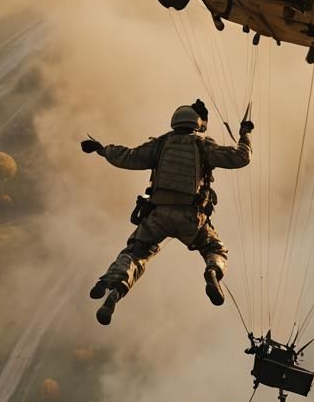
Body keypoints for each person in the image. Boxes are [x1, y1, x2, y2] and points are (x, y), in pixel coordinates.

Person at [82, 101, 253, 325]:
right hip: (192, 217)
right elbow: (241, 158)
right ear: (198, 124)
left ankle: (113, 286)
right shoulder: (204, 146)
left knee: (136, 253)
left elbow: (128, 156)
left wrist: (102, 149)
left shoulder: (161, 144)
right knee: (215, 249)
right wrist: (245, 134)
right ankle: (212, 271)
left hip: (158, 216)